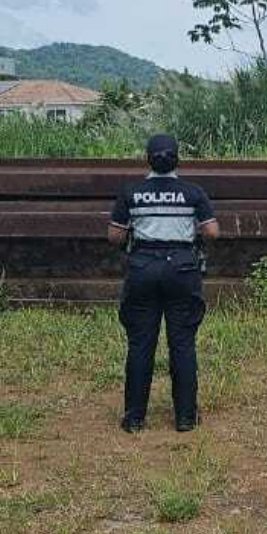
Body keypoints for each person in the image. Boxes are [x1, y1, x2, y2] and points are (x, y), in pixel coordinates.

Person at [107, 135, 219, 433]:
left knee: (141, 343)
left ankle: (134, 419)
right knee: (182, 343)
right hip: (182, 269)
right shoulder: (193, 192)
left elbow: (115, 236)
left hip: (142, 267)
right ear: (177, 159)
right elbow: (212, 232)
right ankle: (185, 417)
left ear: (148, 159)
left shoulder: (131, 192)